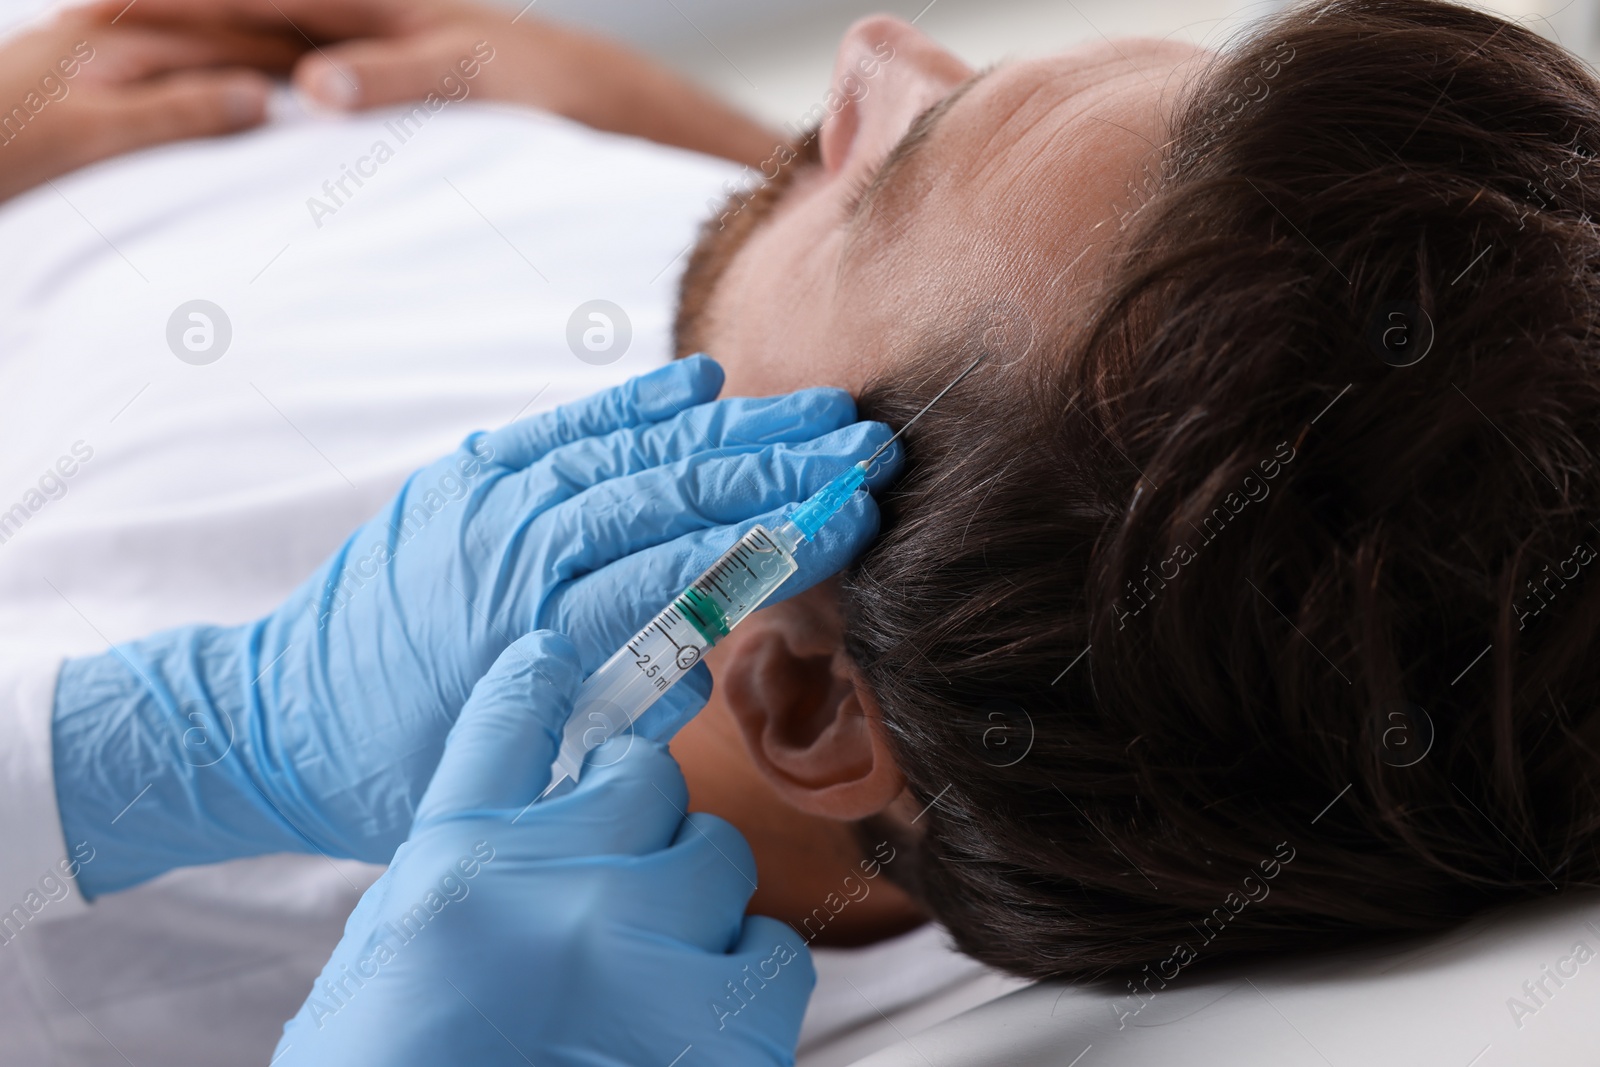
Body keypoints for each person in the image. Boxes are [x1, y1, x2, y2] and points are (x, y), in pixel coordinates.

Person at [4, 0, 1599, 1059]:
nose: (870, 52)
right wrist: (709, 153)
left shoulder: (234, 955)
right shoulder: (968, 519)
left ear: (804, 697)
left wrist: (169, 742)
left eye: (893, 166)